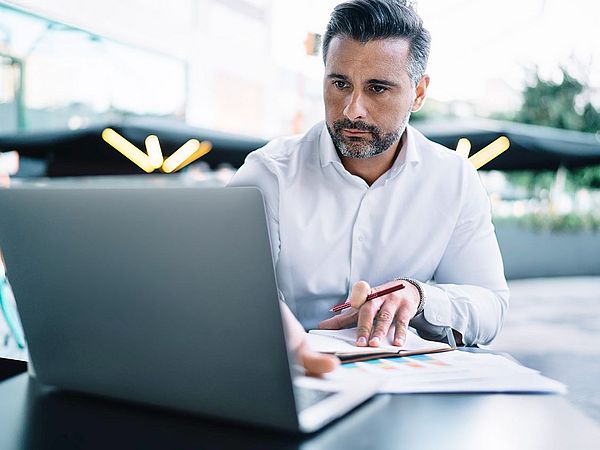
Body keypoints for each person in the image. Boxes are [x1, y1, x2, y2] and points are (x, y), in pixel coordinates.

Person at [229, 0, 509, 374]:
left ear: (419, 92)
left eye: (377, 88)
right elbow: (230, 290)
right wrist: (290, 341)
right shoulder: (268, 174)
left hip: (403, 384)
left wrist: (420, 295)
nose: (351, 110)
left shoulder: (454, 179)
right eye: (340, 84)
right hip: (285, 375)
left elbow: (490, 306)